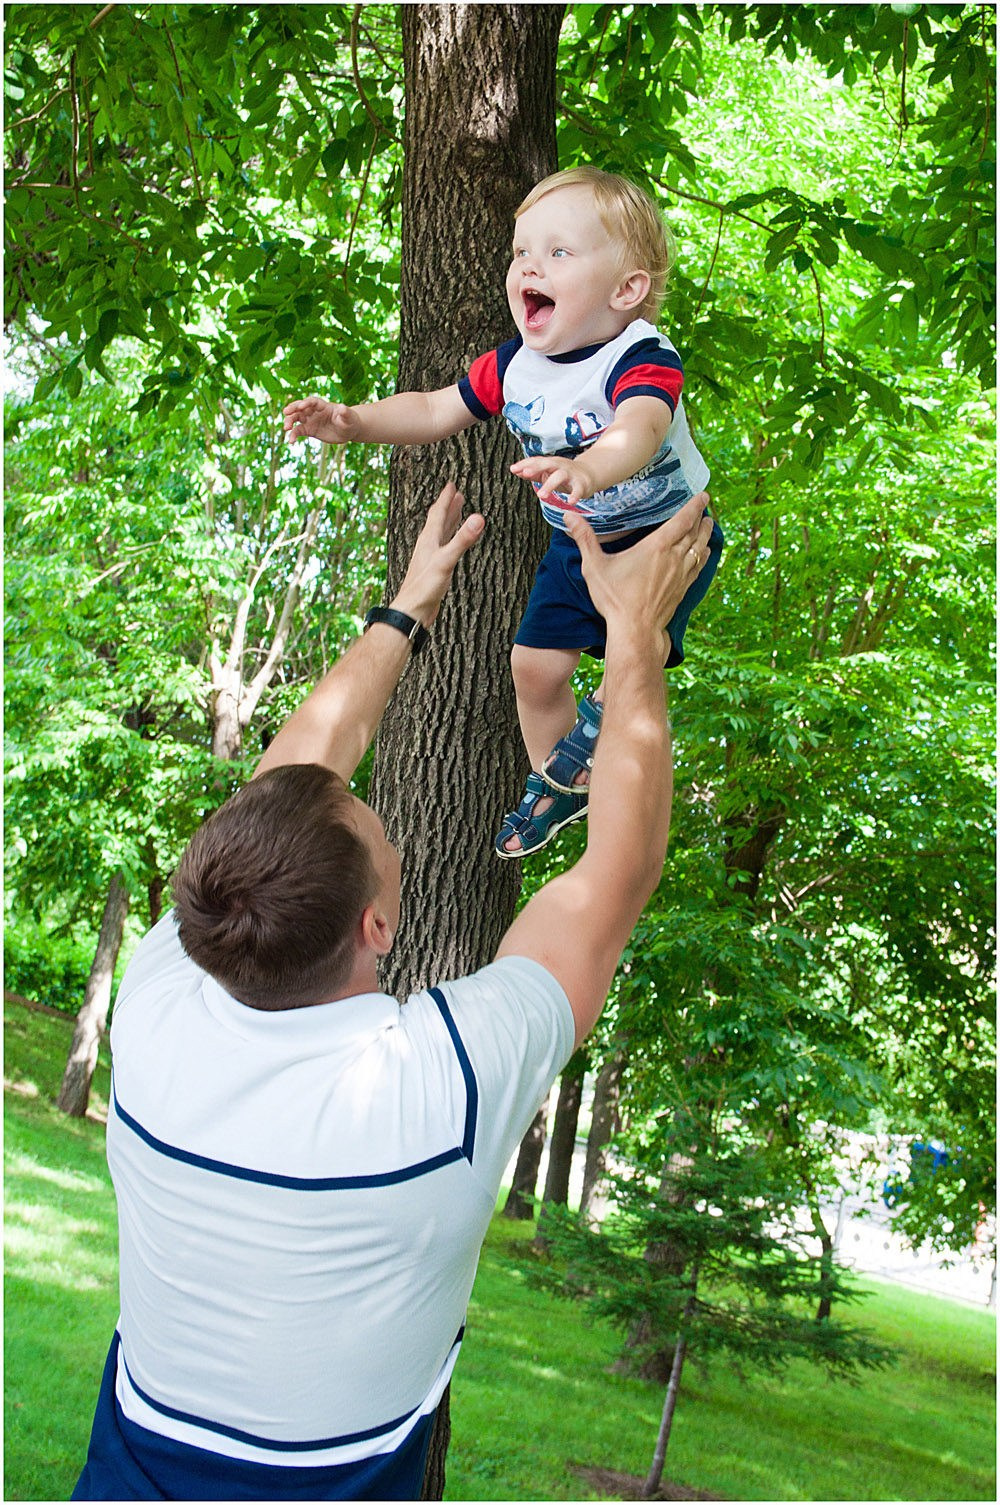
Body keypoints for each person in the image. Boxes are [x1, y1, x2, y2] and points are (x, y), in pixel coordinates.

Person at [71, 480, 715, 1501]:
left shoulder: (160, 995)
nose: (365, 798)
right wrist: (634, 636)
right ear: (377, 924)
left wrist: (406, 604)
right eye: (380, 834)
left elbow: (291, 780)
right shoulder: (439, 1085)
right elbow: (615, 872)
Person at [283, 167, 724, 859]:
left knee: (636, 647)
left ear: (627, 289)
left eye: (558, 253)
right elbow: (433, 407)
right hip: (576, 550)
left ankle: (605, 729)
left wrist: (588, 469)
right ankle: (560, 779)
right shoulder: (516, 364)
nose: (528, 267)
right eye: (521, 253)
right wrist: (353, 421)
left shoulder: (637, 355)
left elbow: (638, 429)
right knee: (531, 666)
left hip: (662, 538)